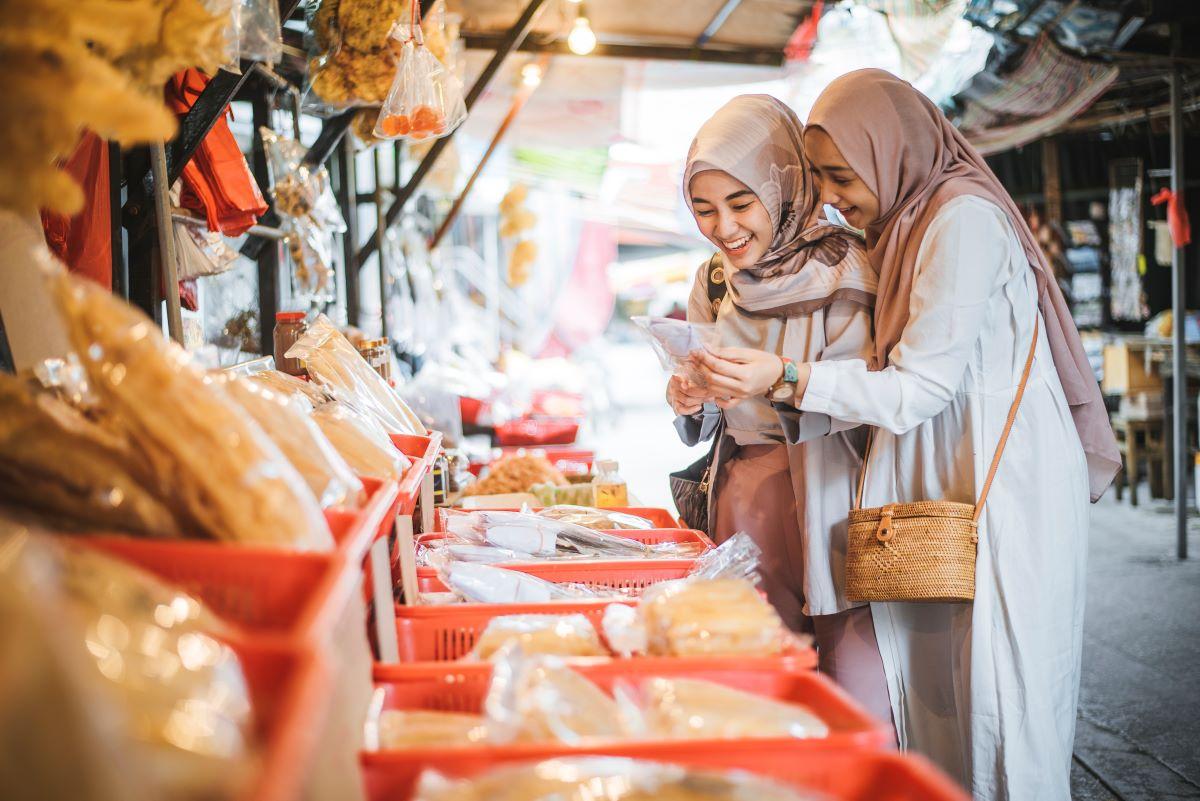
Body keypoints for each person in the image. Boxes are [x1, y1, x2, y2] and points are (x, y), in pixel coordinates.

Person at [696, 70, 1120, 800]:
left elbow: (921, 384)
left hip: (1000, 492)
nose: (830, 194)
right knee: (943, 703)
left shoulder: (961, 221)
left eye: (840, 173)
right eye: (820, 175)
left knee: (1001, 702)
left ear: (890, 149)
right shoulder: (905, 224)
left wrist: (785, 376)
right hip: (944, 486)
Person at [666, 94, 890, 722]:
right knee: (755, 680)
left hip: (834, 496)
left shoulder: (846, 266)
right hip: (743, 501)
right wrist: (689, 396)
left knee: (851, 687)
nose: (724, 227)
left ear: (786, 184)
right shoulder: (715, 281)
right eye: (704, 210)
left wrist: (777, 380)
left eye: (741, 203)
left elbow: (869, 391)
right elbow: (702, 396)